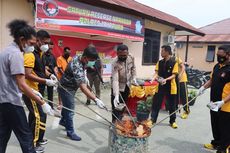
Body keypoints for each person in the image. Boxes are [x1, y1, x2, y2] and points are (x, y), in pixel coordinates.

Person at [0, 20, 52, 153]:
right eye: (32, 43)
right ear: (22, 39)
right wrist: (42, 102)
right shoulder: (16, 54)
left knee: (3, 135)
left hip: (2, 101)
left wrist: (35, 91)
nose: (32, 47)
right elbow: (22, 85)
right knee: (26, 138)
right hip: (12, 102)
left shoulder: (5, 51)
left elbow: (10, 80)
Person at [58, 46, 105, 141]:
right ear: (85, 57)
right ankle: (70, 132)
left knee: (67, 106)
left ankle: (63, 121)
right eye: (91, 60)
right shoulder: (76, 65)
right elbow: (83, 88)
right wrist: (96, 99)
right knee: (70, 110)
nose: (92, 63)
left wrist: (84, 75)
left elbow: (85, 67)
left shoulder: (81, 57)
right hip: (66, 87)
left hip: (72, 85)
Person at [23, 30, 57, 152]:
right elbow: (27, 75)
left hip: (38, 89)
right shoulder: (29, 54)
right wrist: (45, 81)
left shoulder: (40, 53)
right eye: (45, 42)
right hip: (30, 90)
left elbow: (40, 69)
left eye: (48, 43)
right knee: (39, 116)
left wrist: (49, 75)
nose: (47, 45)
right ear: (37, 40)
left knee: (34, 116)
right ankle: (33, 144)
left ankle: (37, 138)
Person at [199, 45, 230, 153]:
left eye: (221, 55)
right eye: (217, 55)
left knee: (225, 128)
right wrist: (203, 87)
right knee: (215, 124)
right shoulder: (217, 66)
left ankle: (223, 148)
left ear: (228, 54)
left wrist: (222, 102)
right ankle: (216, 143)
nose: (219, 57)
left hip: (225, 105)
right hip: (214, 102)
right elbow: (212, 79)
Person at [151, 45, 179, 129]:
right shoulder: (160, 62)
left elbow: (174, 75)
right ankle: (153, 120)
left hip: (171, 87)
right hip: (160, 86)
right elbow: (156, 73)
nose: (161, 53)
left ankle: (172, 121)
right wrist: (154, 78)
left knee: (172, 105)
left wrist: (166, 79)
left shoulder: (174, 62)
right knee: (156, 103)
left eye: (162, 51)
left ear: (167, 52)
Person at [111, 44, 137, 122]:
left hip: (127, 85)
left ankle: (120, 119)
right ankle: (114, 121)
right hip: (118, 85)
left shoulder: (131, 57)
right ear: (117, 53)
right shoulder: (114, 62)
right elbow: (115, 79)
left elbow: (133, 68)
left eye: (124, 55)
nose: (122, 57)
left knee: (123, 104)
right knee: (116, 105)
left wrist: (134, 77)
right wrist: (116, 95)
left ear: (127, 53)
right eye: (120, 55)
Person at [41, 41, 58, 108]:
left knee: (50, 92)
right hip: (43, 76)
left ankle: (51, 106)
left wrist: (55, 72)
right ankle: (41, 105)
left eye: (51, 49)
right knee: (41, 92)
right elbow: (41, 66)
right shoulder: (42, 55)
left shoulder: (52, 56)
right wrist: (45, 67)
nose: (50, 50)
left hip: (51, 76)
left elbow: (55, 66)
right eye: (49, 48)